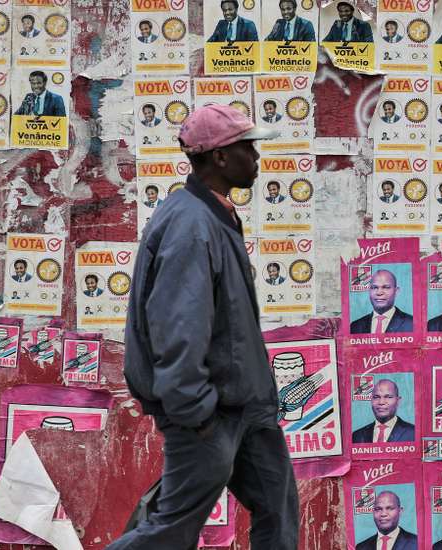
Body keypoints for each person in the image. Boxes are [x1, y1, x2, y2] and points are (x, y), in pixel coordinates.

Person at [111, 104, 298, 549]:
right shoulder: (191, 226)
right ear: (219, 157)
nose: (256, 157)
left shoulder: (215, 213)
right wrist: (196, 415)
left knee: (277, 506)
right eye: (247, 148)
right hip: (208, 412)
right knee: (170, 529)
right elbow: (179, 328)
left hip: (247, 408)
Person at [349, 269, 414, 333]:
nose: (379, 292)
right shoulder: (355, 326)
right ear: (369, 291)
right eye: (374, 287)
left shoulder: (412, 324)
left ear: (396, 291)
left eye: (386, 287)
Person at [351, 379, 415, 442]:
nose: (381, 402)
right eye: (376, 397)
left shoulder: (413, 433)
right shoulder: (357, 436)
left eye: (388, 397)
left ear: (398, 401)